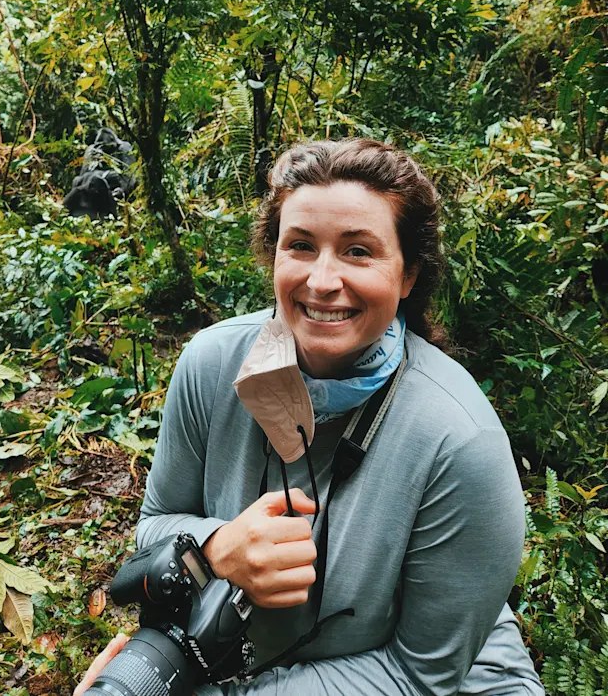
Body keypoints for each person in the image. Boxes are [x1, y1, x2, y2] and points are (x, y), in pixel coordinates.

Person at [75, 139, 544, 696]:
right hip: (255, 660)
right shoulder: (212, 364)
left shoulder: (459, 439)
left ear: (409, 275)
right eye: (300, 245)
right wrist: (216, 547)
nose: (322, 281)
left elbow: (420, 674)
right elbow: (156, 521)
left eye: (358, 251)